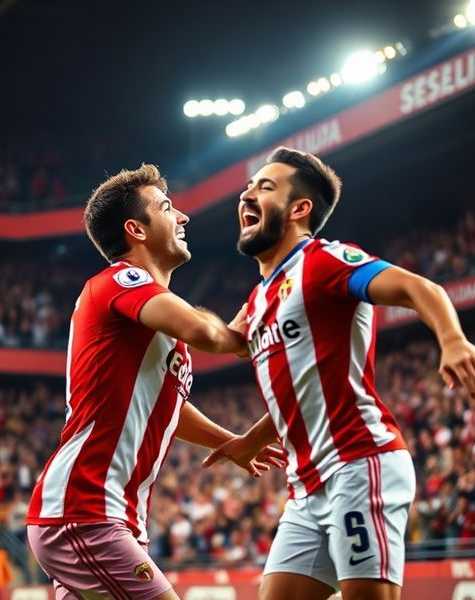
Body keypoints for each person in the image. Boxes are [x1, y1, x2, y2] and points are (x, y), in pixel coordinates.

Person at [203, 147, 475, 600]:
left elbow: (419, 287)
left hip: (359, 464)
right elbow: (300, 388)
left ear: (299, 209)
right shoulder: (258, 300)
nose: (247, 194)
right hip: (305, 487)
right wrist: (251, 441)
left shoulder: (325, 261)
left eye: (265, 186)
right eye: (247, 186)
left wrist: (452, 340)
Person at [26, 164, 284, 600]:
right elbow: (208, 334)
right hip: (85, 512)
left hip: (105, 517)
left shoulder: (150, 320)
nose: (182, 217)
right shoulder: (118, 282)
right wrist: (259, 316)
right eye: (167, 207)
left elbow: (165, 409)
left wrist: (234, 441)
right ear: (136, 230)